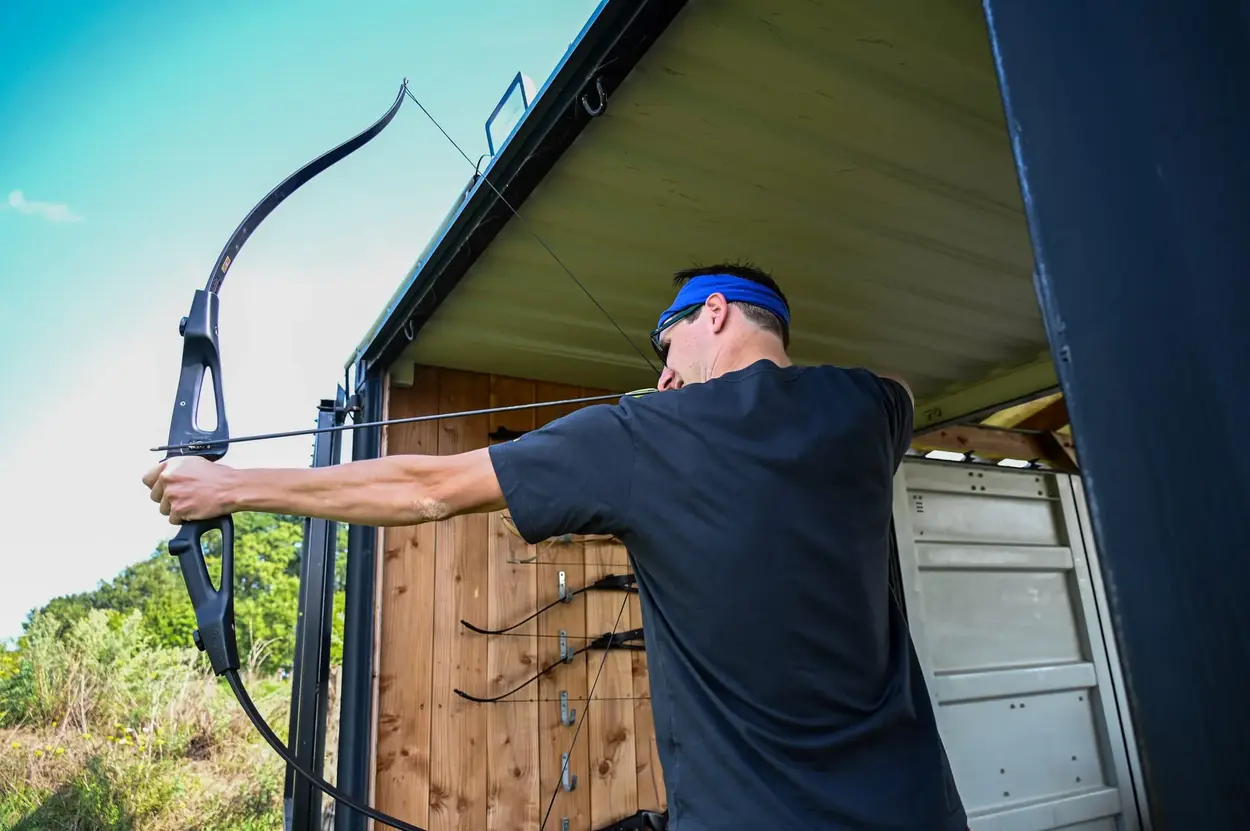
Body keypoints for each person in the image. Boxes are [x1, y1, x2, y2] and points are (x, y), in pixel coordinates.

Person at [143, 262, 968, 831]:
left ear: (712, 311)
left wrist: (227, 487)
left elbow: (426, 488)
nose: (667, 371)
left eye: (668, 344)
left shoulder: (649, 431)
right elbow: (904, 387)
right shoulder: (862, 411)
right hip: (921, 808)